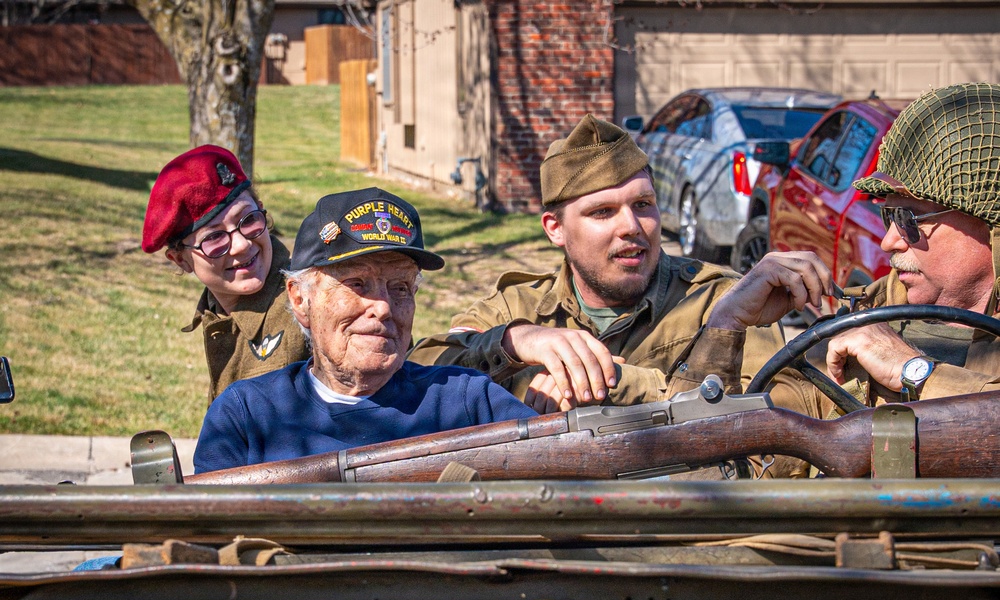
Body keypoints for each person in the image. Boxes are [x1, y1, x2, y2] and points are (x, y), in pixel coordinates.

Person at [407, 114, 828, 478]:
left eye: (643, 204)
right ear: (555, 228)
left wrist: (615, 385)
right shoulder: (518, 309)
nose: (632, 226)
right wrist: (514, 342)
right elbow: (416, 378)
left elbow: (781, 439)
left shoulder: (720, 300)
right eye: (603, 212)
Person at [194, 188, 537, 473]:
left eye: (400, 287)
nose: (384, 306)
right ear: (301, 300)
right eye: (356, 283)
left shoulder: (469, 403)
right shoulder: (246, 415)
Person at [816, 82, 1000, 406]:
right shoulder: (872, 314)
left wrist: (915, 372)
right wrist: (728, 325)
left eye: (909, 219)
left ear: (991, 227)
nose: (889, 242)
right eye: (889, 217)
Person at [142, 145, 308, 402]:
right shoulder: (216, 310)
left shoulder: (309, 302)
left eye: (249, 220)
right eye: (215, 238)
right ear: (180, 259)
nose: (242, 244)